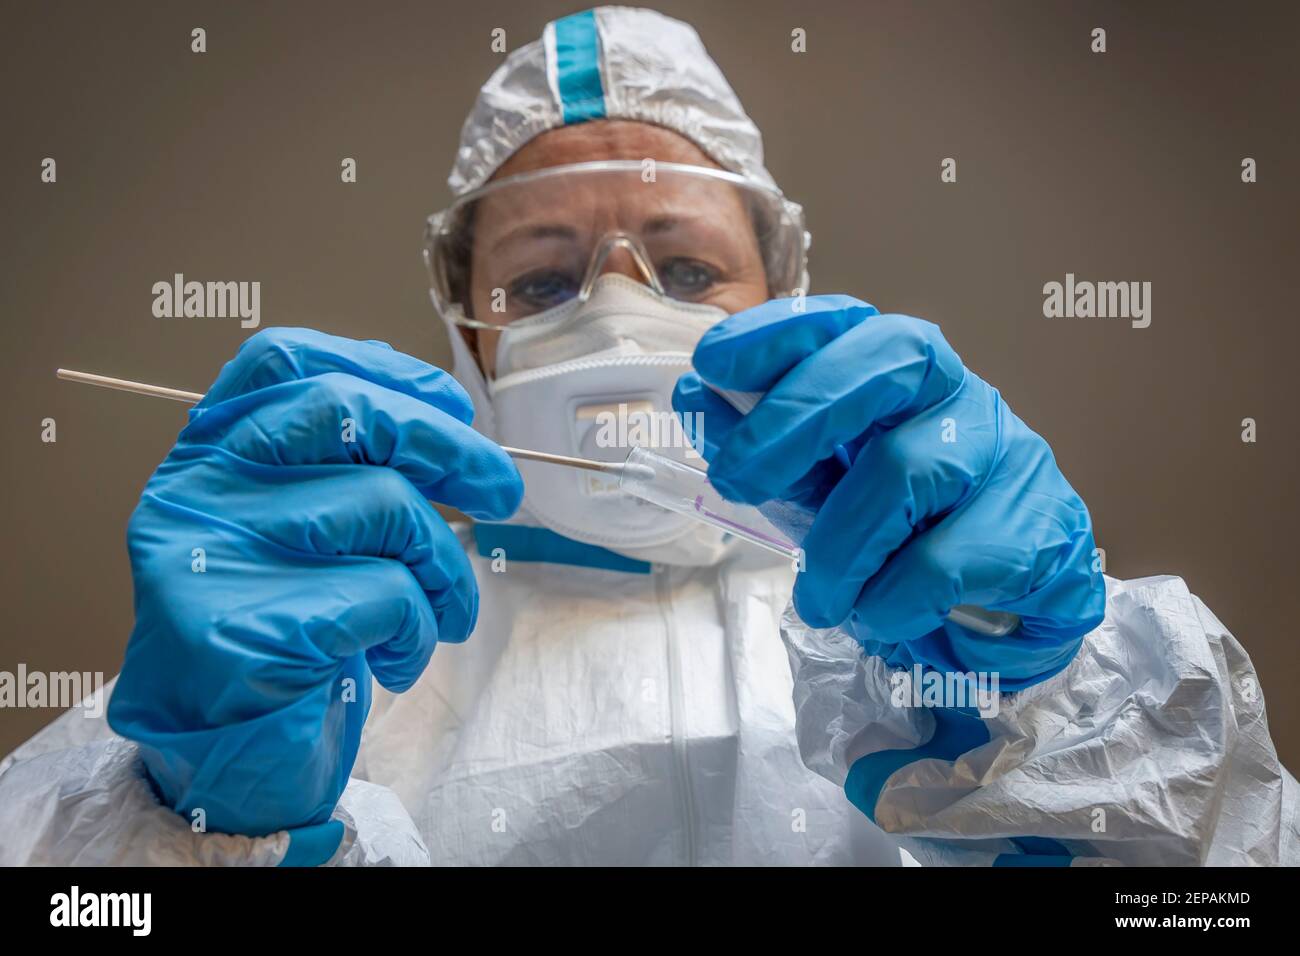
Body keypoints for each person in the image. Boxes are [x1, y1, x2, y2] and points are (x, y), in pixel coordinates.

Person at [0, 7, 1294, 867]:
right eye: (545, 284)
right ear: (467, 343)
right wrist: (196, 820)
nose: (616, 307)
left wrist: (1048, 691)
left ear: (781, 302)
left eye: (684, 272)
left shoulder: (947, 639)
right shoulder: (311, 655)